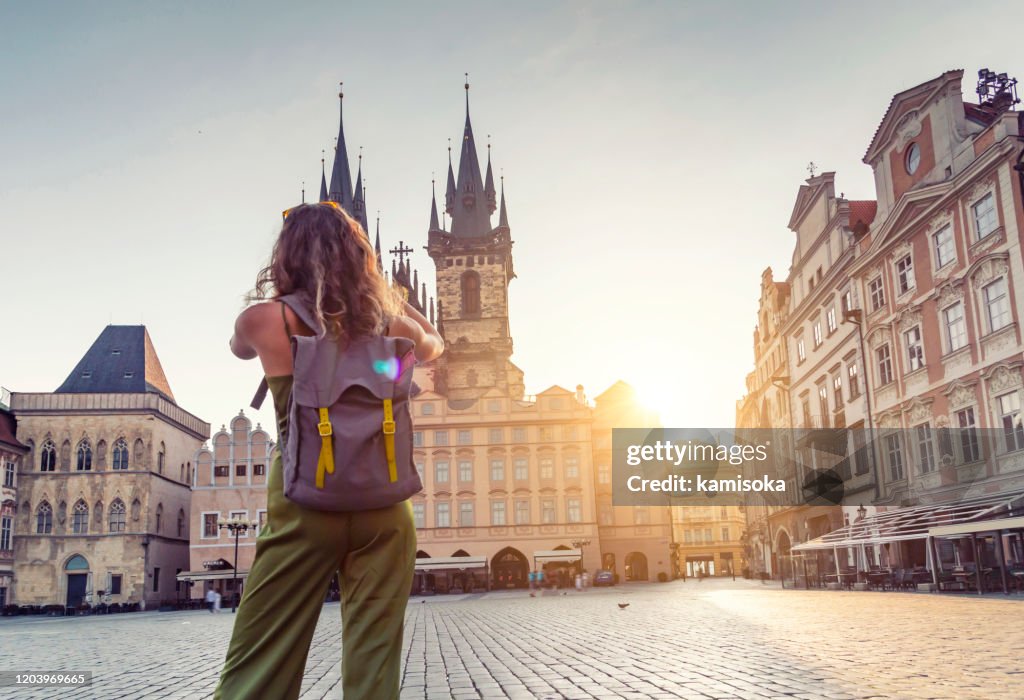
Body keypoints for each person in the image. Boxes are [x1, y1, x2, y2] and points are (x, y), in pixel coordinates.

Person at [213, 202, 445, 700]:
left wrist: (289, 297)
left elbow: (236, 346)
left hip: (303, 505)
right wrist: (390, 298)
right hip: (385, 508)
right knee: (373, 661)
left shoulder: (264, 321)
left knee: (261, 658)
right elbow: (435, 345)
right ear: (360, 257)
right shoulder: (392, 330)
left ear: (286, 257)